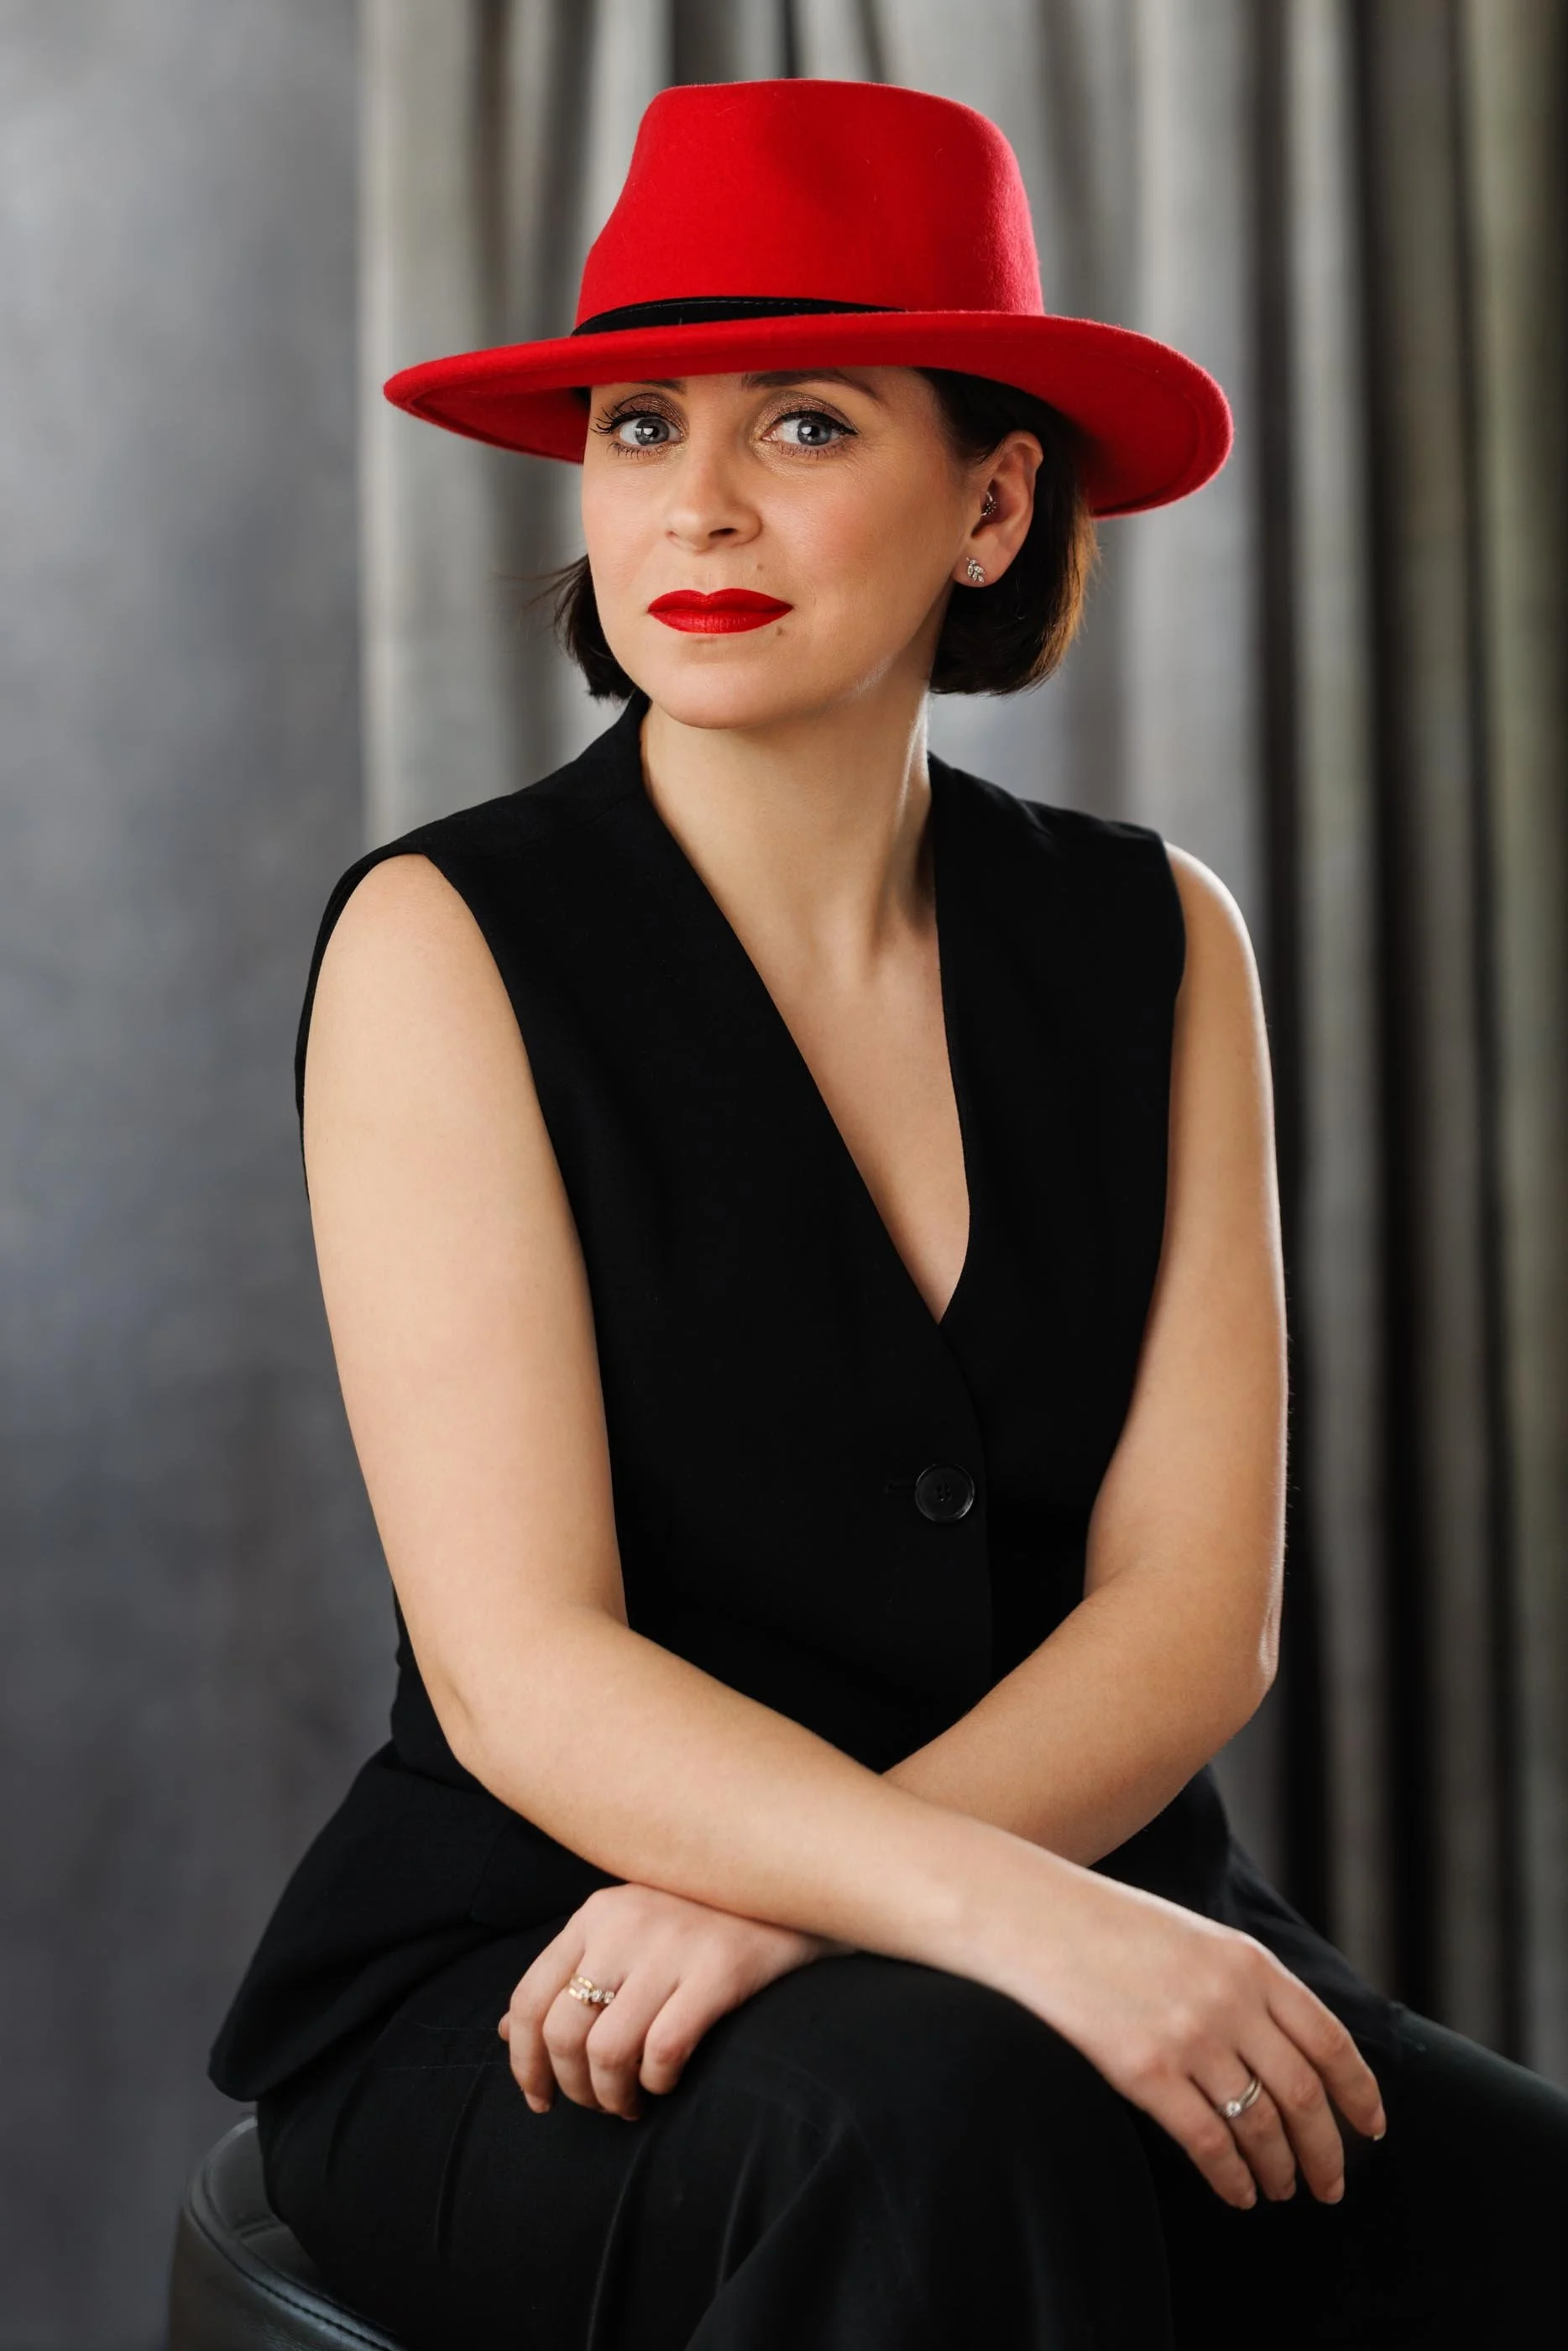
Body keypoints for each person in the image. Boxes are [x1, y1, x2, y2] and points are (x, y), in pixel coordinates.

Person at [209, 77, 1568, 2348]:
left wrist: (849, 1904)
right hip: (541, 1972)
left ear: (989, 501)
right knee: (941, 2125)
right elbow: (521, 1666)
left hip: (1054, 1909)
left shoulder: (1155, 940)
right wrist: (978, 1924)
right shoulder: (445, 941)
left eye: (810, 426)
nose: (701, 503)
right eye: (642, 426)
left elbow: (1183, 1618)